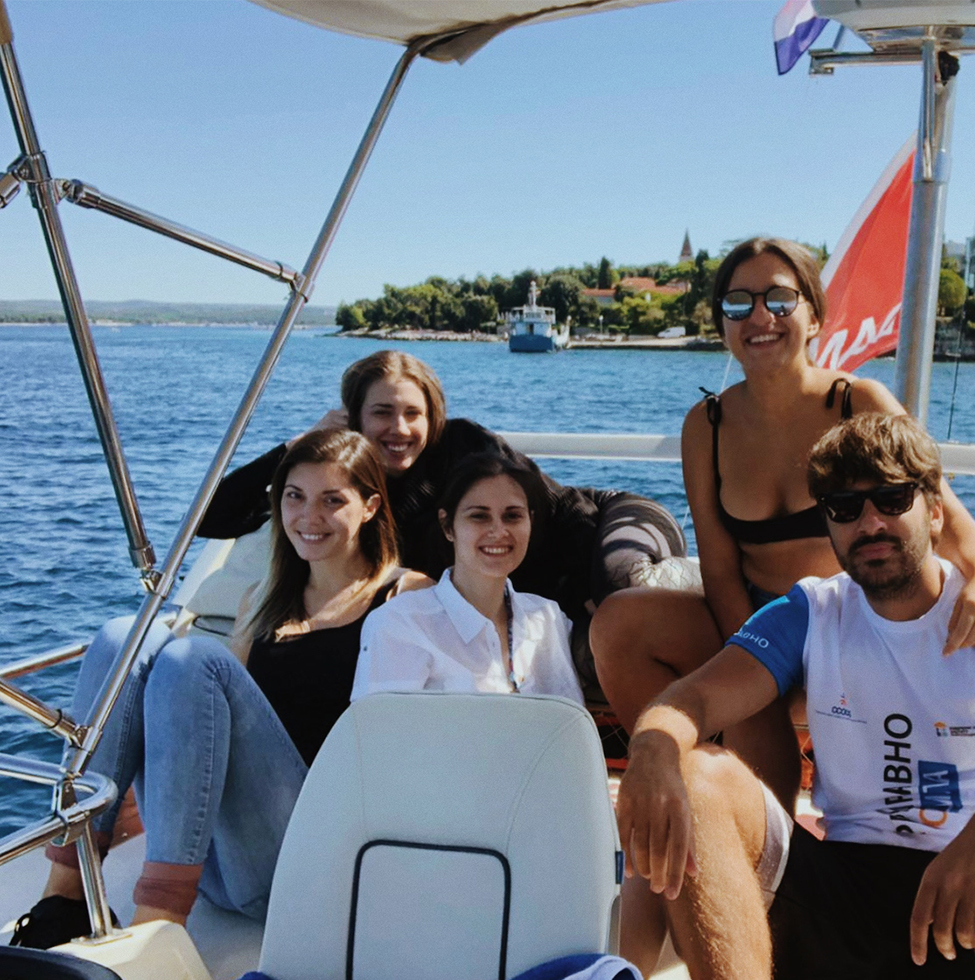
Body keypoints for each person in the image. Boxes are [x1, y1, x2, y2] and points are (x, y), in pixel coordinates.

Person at [615, 413, 975, 980]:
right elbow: (695, 699)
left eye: (891, 499)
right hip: (843, 886)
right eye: (844, 508)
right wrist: (652, 750)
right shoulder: (814, 611)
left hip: (973, 901)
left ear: (935, 511)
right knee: (694, 775)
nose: (870, 523)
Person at [592, 238, 975, 810]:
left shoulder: (858, 400)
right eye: (738, 304)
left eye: (780, 300)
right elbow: (718, 564)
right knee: (618, 625)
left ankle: (766, 814)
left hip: (852, 622)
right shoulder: (706, 425)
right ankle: (692, 787)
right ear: (722, 325)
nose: (760, 317)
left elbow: (948, 520)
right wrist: (756, 654)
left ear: (814, 316)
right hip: (756, 618)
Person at [10, 429, 423, 948]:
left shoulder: (405, 596)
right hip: (214, 865)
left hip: (311, 863)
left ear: (369, 507)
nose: (308, 516)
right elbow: (211, 724)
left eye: (331, 500)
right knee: (124, 636)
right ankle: (63, 897)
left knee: (193, 656)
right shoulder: (261, 598)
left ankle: (155, 932)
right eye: (294, 496)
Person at [198, 349, 695, 705]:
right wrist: (302, 443)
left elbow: (559, 516)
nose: (399, 428)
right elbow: (212, 517)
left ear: (432, 416)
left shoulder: (463, 447)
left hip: (611, 520)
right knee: (592, 649)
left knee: (617, 593)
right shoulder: (354, 486)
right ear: (354, 421)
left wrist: (579, 593)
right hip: (523, 594)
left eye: (414, 413)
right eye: (382, 413)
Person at [352, 450, 583, 705]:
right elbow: (381, 735)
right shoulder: (399, 624)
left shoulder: (548, 619)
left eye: (513, 516)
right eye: (479, 516)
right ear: (448, 526)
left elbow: (570, 727)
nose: (498, 531)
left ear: (530, 522)